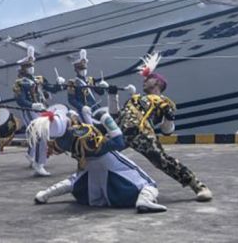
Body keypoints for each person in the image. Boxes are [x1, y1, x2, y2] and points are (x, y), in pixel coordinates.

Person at [113, 52, 213, 202]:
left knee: (161, 160)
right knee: (96, 151)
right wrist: (111, 95)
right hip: (121, 133)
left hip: (142, 134)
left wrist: (169, 117)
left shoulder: (163, 101)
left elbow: (167, 131)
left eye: (148, 79)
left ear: (158, 83)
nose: (144, 82)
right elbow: (115, 115)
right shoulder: (134, 99)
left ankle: (198, 185)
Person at [31, 105, 167, 213]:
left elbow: (68, 140)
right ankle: (144, 200)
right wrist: (107, 120)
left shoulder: (62, 141)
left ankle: (45, 194)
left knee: (74, 180)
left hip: (88, 167)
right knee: (148, 183)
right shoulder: (83, 132)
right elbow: (118, 143)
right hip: (109, 162)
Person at [13, 45, 51, 176]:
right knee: (40, 134)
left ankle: (32, 156)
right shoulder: (19, 82)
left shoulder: (38, 79)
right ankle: (39, 163)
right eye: (29, 66)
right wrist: (32, 105)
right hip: (29, 111)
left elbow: (50, 88)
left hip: (41, 109)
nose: (31, 68)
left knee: (40, 134)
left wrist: (58, 83)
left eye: (32, 65)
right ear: (23, 68)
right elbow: (20, 100)